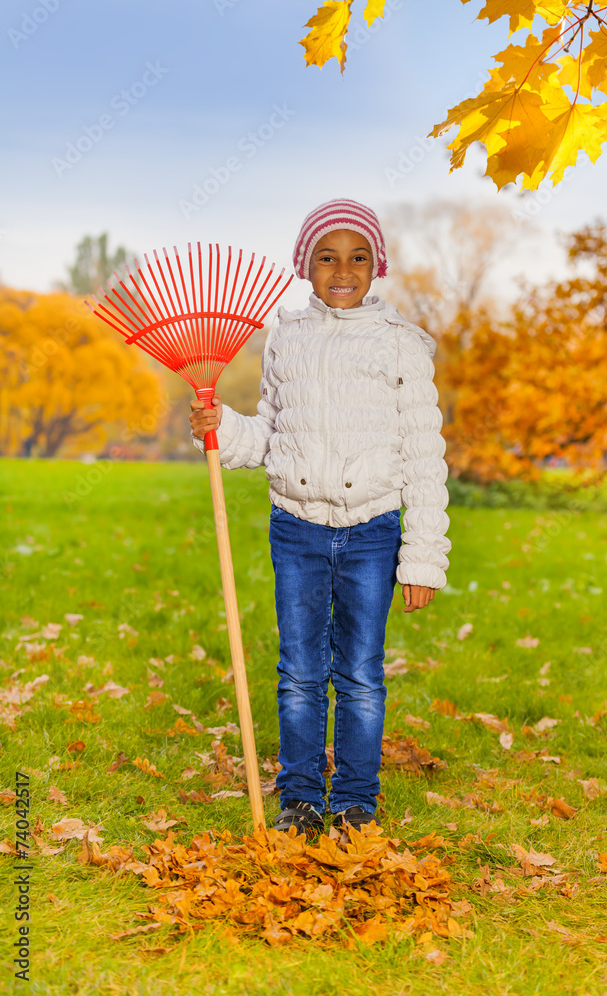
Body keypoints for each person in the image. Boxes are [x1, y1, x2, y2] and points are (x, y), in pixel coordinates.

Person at [190, 198, 450, 836]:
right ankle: (300, 798)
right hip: (297, 527)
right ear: (305, 265)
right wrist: (219, 426)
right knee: (300, 670)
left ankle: (357, 801)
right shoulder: (287, 338)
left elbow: (424, 458)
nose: (343, 269)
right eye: (327, 257)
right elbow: (271, 438)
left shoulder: (401, 348)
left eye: (357, 257)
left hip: (372, 530)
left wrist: (421, 558)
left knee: (360, 673)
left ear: (376, 265)